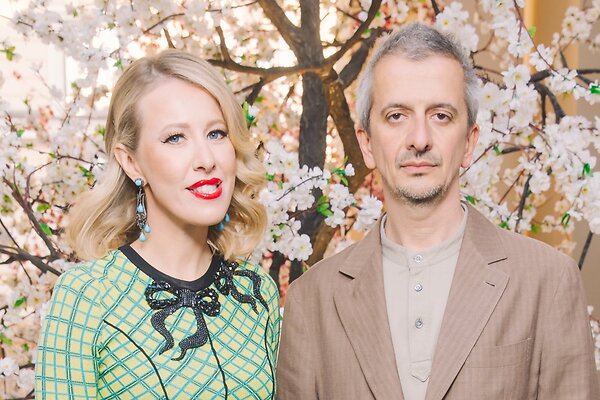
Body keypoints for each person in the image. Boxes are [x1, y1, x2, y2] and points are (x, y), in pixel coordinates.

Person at [276, 23, 599, 400]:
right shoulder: (311, 301)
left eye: (441, 116)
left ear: (469, 142)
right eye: (396, 116)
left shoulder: (548, 281)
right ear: (366, 144)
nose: (419, 139)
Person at [35, 49, 280, 399]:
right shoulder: (87, 296)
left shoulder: (257, 292)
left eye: (216, 133)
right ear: (131, 162)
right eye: (175, 138)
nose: (206, 159)